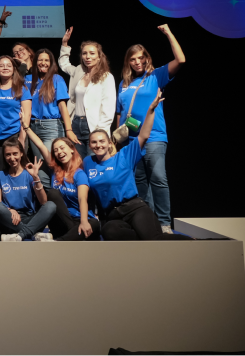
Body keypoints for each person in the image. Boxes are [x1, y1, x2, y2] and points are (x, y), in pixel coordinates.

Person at [85, 89, 191, 241]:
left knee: (153, 238)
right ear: (89, 145)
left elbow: (144, 135)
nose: (98, 145)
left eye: (102, 141)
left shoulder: (124, 156)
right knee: (109, 233)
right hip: (113, 215)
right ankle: (140, 236)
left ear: (109, 143)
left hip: (134, 208)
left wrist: (151, 110)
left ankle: (192, 242)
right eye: (94, 142)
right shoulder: (88, 162)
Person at [117, 24, 186, 233]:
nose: (137, 62)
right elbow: (120, 114)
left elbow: (181, 60)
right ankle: (148, 221)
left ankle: (164, 223)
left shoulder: (157, 75)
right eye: (133, 59)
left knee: (158, 178)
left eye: (141, 58)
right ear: (128, 61)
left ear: (147, 58)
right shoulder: (123, 83)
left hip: (155, 136)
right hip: (132, 140)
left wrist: (168, 33)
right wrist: (117, 139)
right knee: (139, 182)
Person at [25, 129, 100, 241]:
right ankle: (71, 237)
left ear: (71, 149)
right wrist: (26, 127)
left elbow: (82, 198)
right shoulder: (56, 170)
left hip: (80, 220)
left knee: (94, 223)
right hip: (61, 221)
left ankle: (58, 241)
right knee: (53, 194)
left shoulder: (80, 174)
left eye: (62, 148)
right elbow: (40, 145)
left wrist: (84, 222)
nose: (59, 152)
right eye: (55, 150)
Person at [59, 29, 116, 160]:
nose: (88, 57)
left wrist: (100, 132)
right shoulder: (79, 71)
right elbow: (63, 64)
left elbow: (108, 108)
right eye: (84, 53)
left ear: (99, 56)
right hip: (76, 124)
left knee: (95, 163)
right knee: (79, 163)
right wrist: (65, 44)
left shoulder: (106, 77)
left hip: (94, 125)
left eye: (92, 53)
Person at [25, 49, 76, 188]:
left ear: (51, 63)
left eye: (46, 60)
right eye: (40, 60)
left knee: (52, 163)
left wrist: (69, 129)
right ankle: (48, 200)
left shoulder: (56, 79)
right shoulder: (28, 80)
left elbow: (62, 106)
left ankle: (60, 195)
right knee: (40, 168)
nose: (43, 63)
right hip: (33, 127)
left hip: (51, 126)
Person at [0, 139, 56, 241]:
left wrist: (35, 178)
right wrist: (10, 210)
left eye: (15, 153)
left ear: (21, 153)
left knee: (51, 205)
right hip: (10, 220)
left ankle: (20, 235)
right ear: (4, 156)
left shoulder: (29, 174)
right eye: (8, 154)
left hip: (31, 219)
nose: (12, 158)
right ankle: (32, 234)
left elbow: (43, 201)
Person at [0, 55, 32, 182]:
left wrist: (22, 138)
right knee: (2, 172)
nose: (5, 68)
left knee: (18, 170)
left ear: (14, 69)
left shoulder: (21, 88)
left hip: (15, 134)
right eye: (1, 66)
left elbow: (27, 115)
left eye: (9, 65)